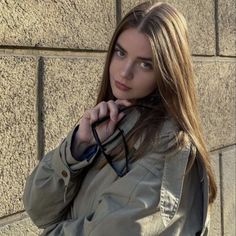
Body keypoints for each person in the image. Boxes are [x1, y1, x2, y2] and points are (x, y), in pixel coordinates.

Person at [23, 1, 217, 235]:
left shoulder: (168, 145)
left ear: (168, 72)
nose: (125, 72)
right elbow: (38, 210)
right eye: (121, 52)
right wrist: (77, 147)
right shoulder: (112, 121)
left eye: (146, 64)